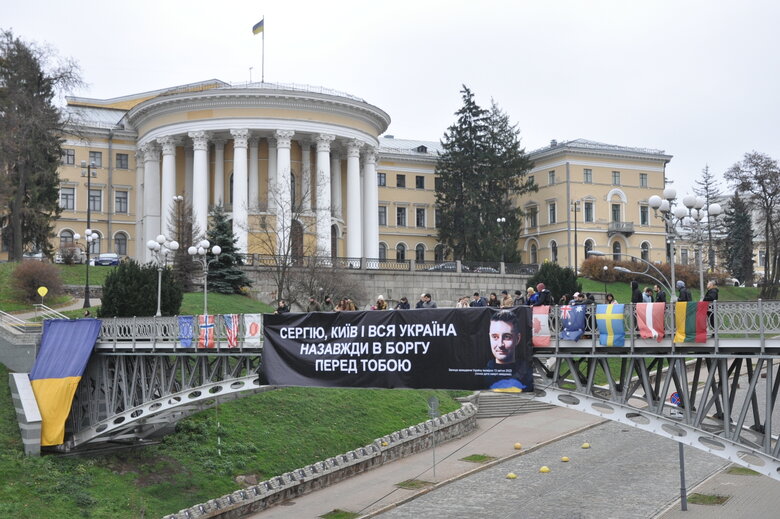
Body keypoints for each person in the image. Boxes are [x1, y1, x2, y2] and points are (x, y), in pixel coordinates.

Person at [485, 311, 528, 391]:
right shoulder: (482, 374)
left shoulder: (527, 372)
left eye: (507, 337)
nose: (500, 344)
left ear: (517, 339)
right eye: (495, 337)